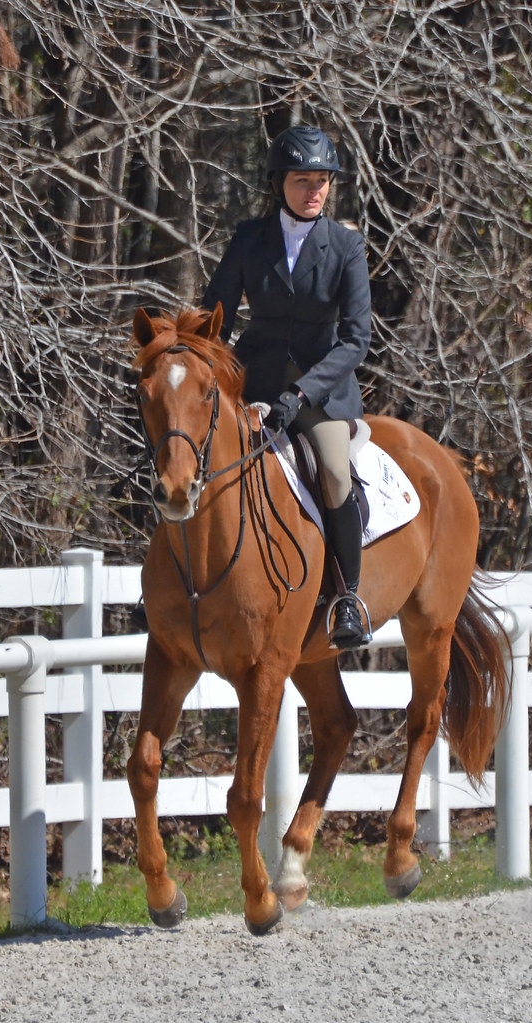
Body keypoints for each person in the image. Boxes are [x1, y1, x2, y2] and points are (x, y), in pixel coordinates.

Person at [202, 124, 371, 649]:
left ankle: (348, 597)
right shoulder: (249, 240)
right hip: (254, 376)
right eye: (303, 180)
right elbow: (217, 317)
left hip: (319, 391)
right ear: (281, 184)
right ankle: (170, 583)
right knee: (191, 454)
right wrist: (213, 374)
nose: (314, 190)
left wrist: (302, 395)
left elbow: (356, 339)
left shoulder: (346, 246)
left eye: (322, 181)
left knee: (336, 473)